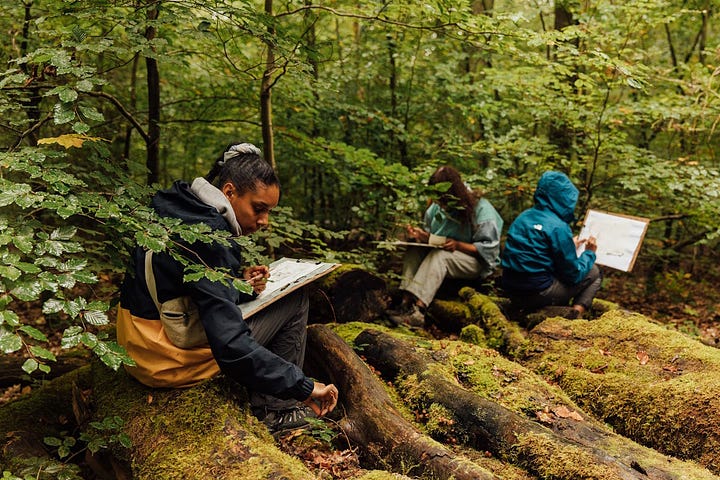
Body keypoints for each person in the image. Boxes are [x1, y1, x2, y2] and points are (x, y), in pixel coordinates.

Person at [117, 142, 338, 433]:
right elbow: (231, 347)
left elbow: (182, 283)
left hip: (133, 344)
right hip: (162, 360)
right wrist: (303, 387)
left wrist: (239, 283)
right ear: (230, 191)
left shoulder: (178, 203)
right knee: (295, 301)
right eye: (259, 209)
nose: (264, 222)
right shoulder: (210, 236)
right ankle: (275, 411)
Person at [390, 166, 504, 326]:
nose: (440, 204)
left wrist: (457, 245)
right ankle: (405, 303)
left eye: (443, 200)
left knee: (440, 256)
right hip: (442, 255)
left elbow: (489, 251)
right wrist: (421, 236)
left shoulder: (482, 209)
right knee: (414, 250)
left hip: (475, 263)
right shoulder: (435, 208)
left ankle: (418, 311)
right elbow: (433, 237)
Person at [500, 170, 601, 319]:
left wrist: (569, 245)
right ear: (564, 198)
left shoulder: (523, 217)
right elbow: (573, 275)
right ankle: (575, 315)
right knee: (594, 271)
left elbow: (534, 254)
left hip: (510, 289)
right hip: (537, 293)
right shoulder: (558, 226)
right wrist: (589, 253)